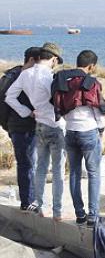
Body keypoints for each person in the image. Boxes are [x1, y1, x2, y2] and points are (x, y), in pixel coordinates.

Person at [5, 42, 65, 220]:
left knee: (38, 167)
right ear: (53, 59)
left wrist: (27, 111)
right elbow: (56, 102)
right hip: (53, 125)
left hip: (37, 123)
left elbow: (9, 97)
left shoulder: (24, 74)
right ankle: (56, 210)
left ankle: (39, 205)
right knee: (57, 169)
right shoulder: (49, 77)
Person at [52, 49, 105, 225]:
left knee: (74, 173)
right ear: (91, 66)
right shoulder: (91, 82)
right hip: (88, 131)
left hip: (70, 131)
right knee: (93, 173)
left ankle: (80, 214)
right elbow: (98, 109)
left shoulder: (62, 79)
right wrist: (101, 130)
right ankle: (93, 216)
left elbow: (58, 104)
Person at [0, 46, 40, 212]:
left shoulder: (12, 74)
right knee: (27, 164)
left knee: (29, 163)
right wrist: (8, 125)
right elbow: (3, 101)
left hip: (18, 126)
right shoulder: (16, 77)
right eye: (38, 63)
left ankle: (31, 199)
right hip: (21, 127)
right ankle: (28, 201)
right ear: (31, 60)